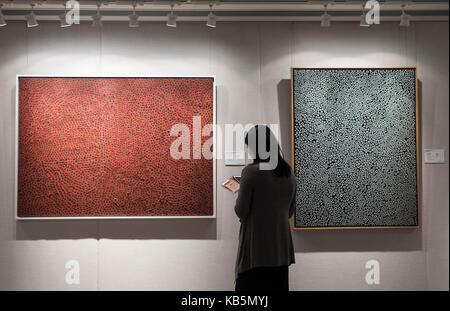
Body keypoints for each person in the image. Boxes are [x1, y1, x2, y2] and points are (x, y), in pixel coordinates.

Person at [234, 124, 296, 291]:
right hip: (280, 249)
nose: (247, 149)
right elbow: (289, 211)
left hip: (257, 249)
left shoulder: (251, 172)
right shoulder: (288, 173)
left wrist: (241, 190)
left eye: (248, 145)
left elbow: (241, 211)